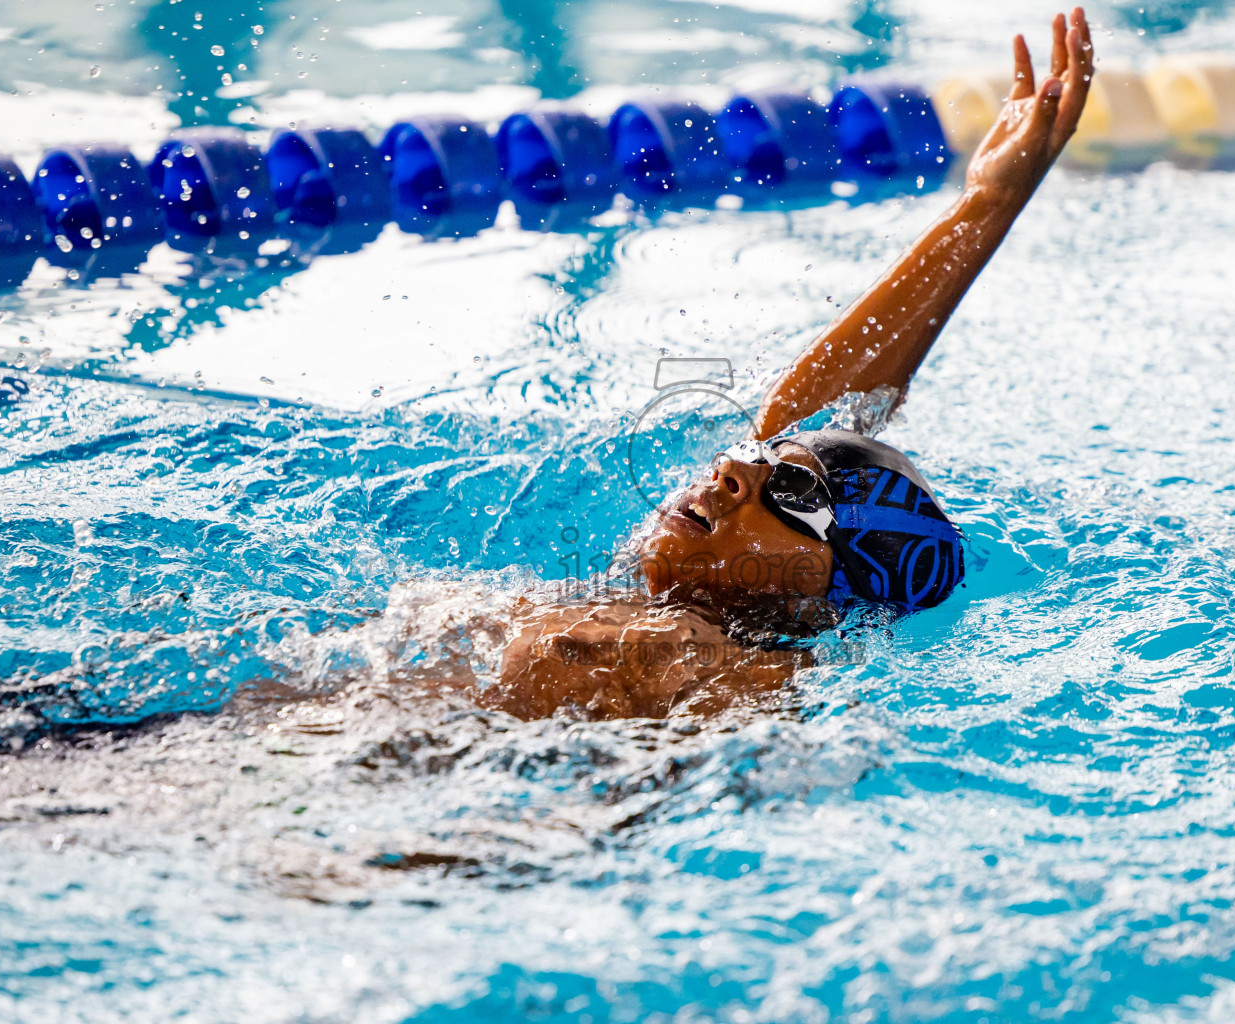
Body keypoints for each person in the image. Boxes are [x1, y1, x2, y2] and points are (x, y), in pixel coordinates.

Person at [362, 10, 1094, 722]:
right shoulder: (664, 614)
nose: (733, 469)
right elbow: (824, 415)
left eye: (796, 492)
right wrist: (983, 206)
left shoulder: (726, 676)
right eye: (758, 454)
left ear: (828, 591)